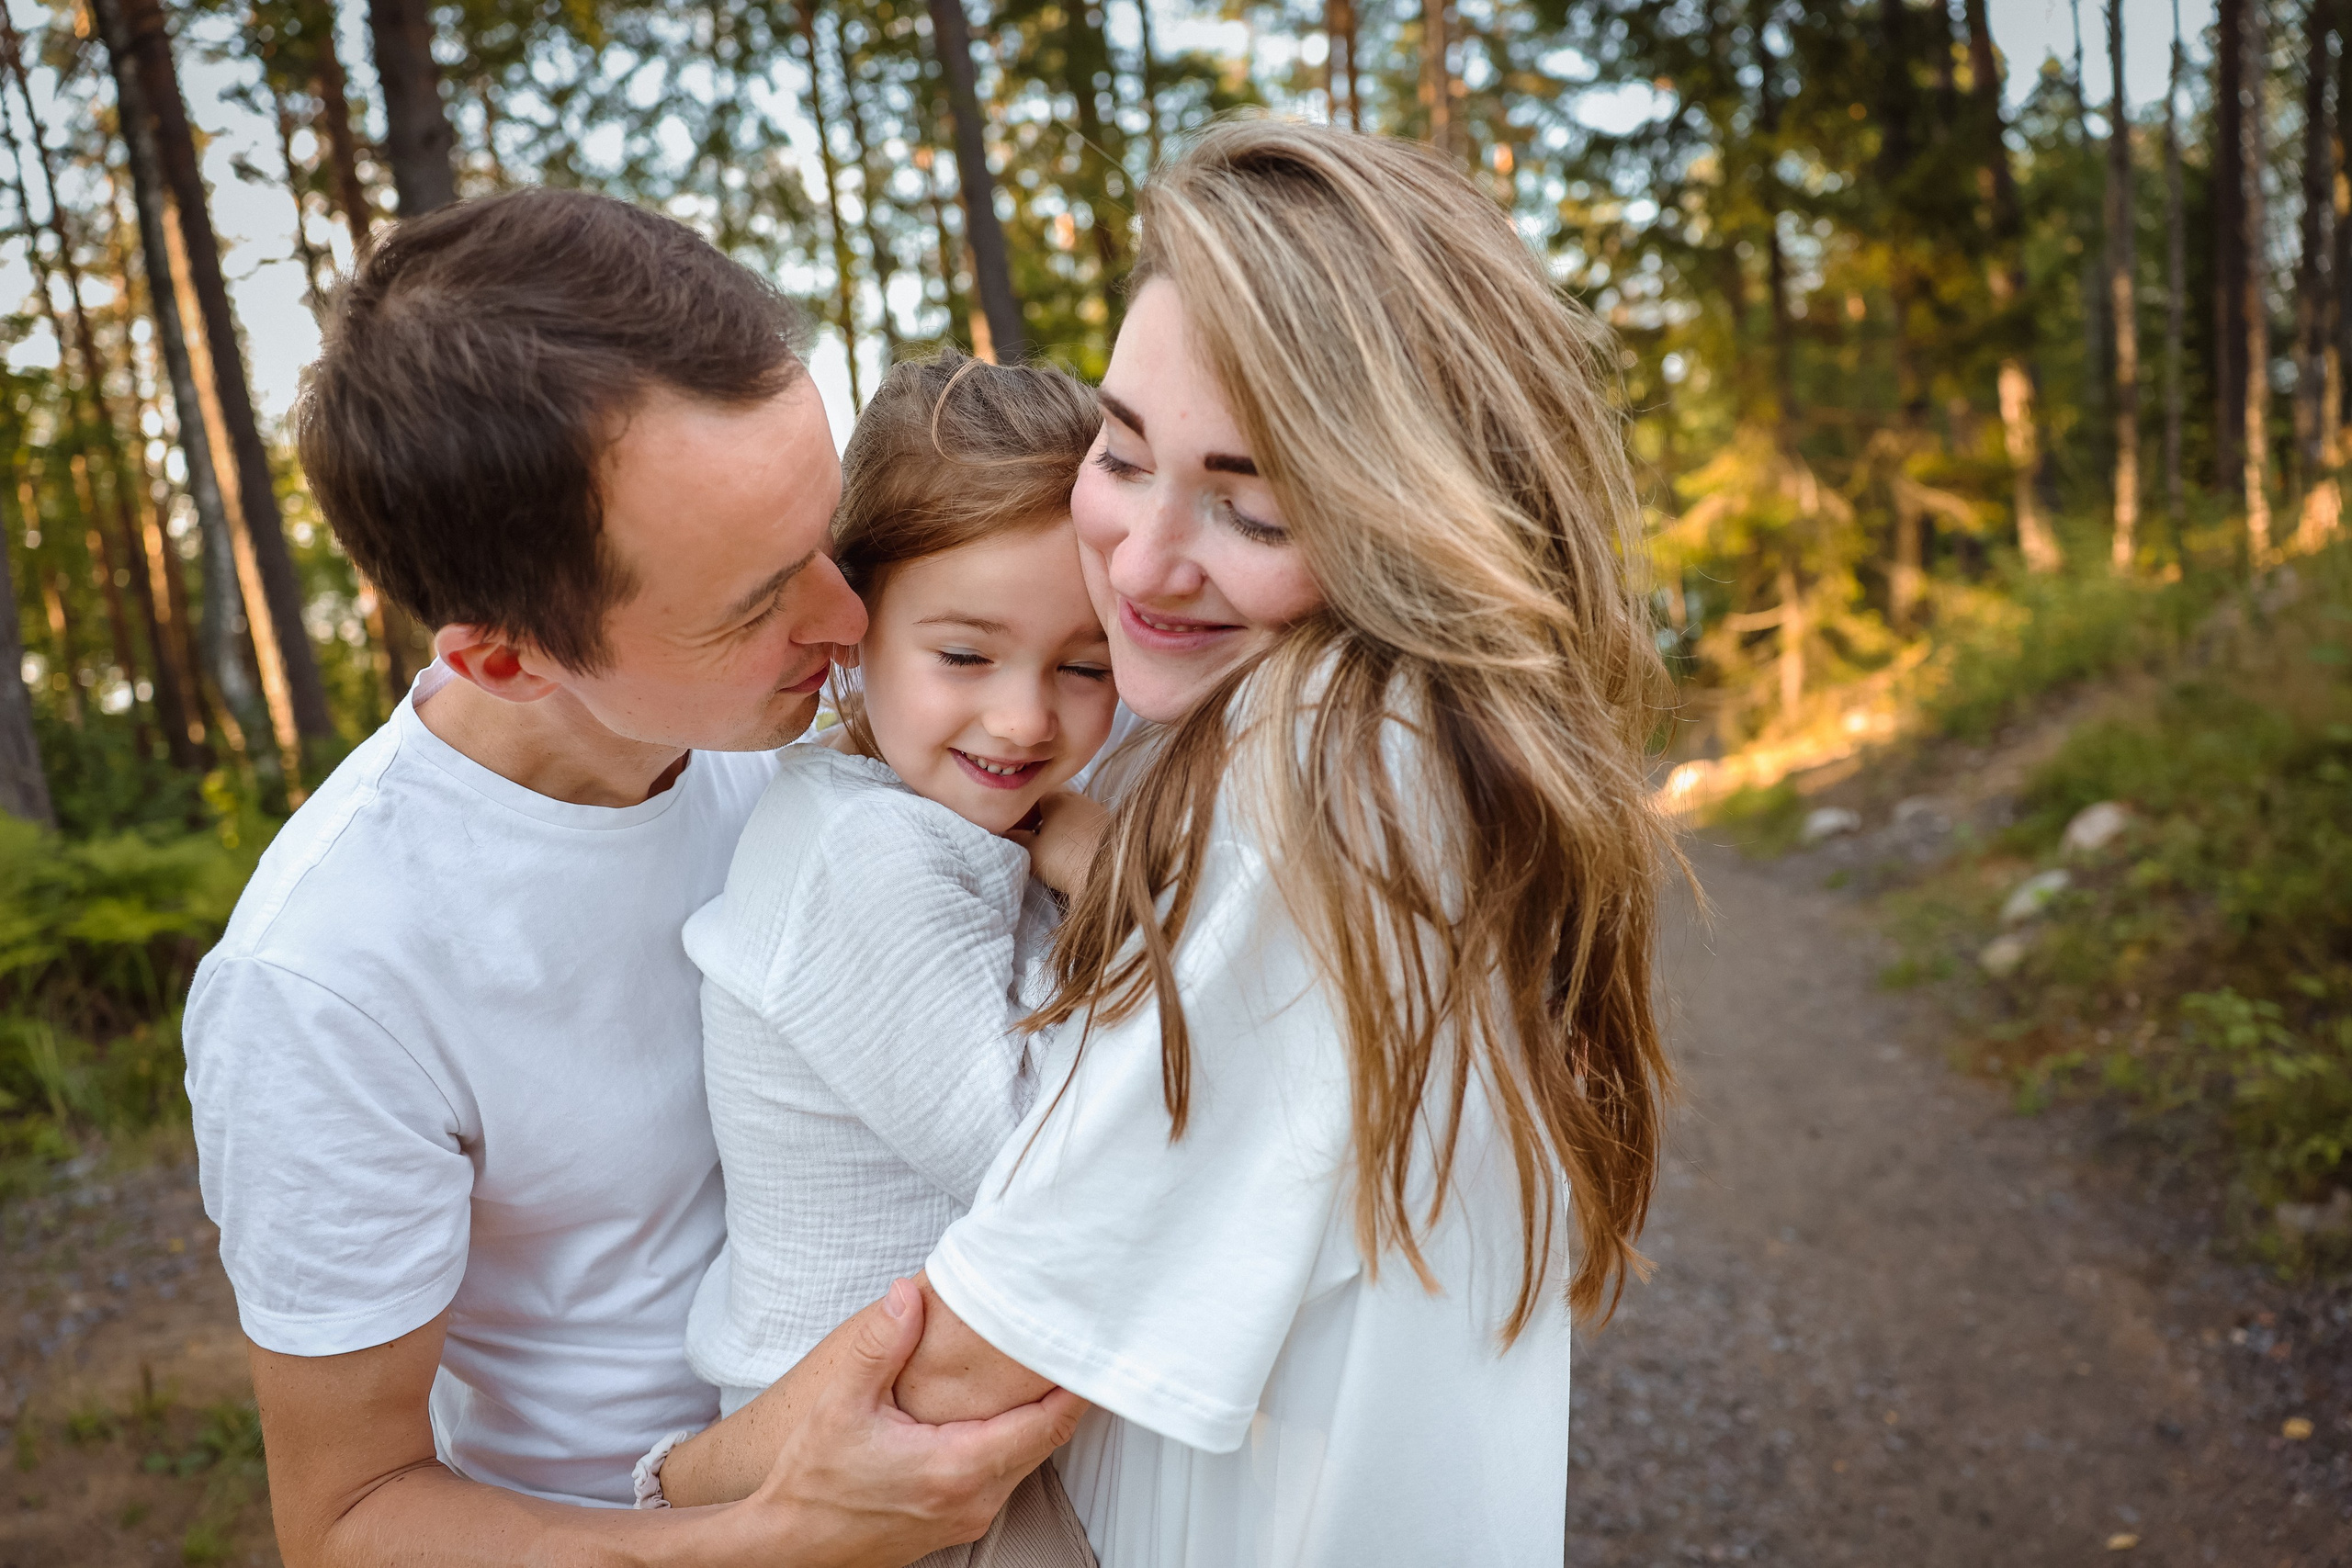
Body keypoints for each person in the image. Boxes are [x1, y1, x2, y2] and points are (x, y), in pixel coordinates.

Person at [671, 119, 1678, 1564]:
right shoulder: (1239, 708)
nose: (1140, 564)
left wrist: (672, 1497)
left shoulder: (1347, 755)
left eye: (1251, 506)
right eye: (1123, 456)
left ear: (1402, 511)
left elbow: (1039, 1241)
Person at [181, 188, 1079, 1568]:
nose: (848, 621)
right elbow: (348, 1521)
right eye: (754, 601)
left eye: (827, 534)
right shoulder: (323, 980)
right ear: (504, 658)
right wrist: (778, 1535)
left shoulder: (815, 722)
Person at [678, 354, 1114, 1565]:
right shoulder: (860, 852)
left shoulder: (923, 809)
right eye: (966, 656)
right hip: (853, 1472)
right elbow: (1039, 1156)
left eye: (1084, 667)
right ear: (855, 635)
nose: (1027, 718)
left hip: (937, 1421)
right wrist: (1121, 892)